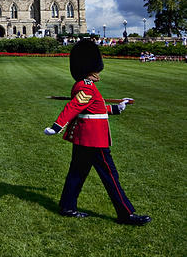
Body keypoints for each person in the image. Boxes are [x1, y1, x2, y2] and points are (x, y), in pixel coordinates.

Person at [43, 39, 151, 225]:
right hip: (94, 140)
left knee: (77, 173)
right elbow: (73, 106)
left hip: (84, 138)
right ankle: (126, 214)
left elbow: (95, 109)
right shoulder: (86, 86)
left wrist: (118, 107)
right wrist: (57, 126)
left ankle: (67, 207)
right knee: (110, 176)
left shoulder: (85, 85)